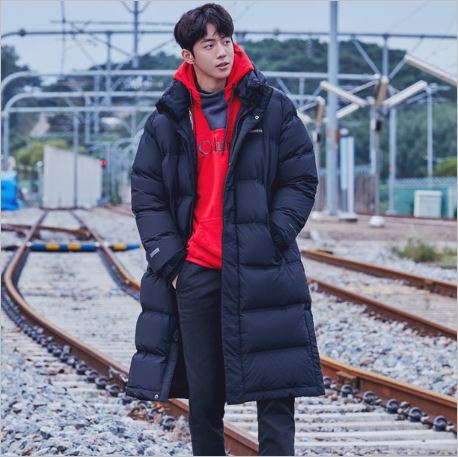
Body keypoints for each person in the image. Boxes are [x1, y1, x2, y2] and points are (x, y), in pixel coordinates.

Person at [127, 3, 325, 456]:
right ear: (188, 55)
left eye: (227, 40)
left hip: (261, 265)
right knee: (203, 396)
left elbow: (300, 179)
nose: (222, 51)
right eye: (209, 44)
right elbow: (147, 194)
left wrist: (274, 236)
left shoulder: (271, 107)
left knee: (277, 388)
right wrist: (172, 264)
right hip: (197, 270)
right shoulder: (166, 120)